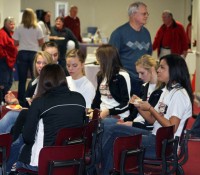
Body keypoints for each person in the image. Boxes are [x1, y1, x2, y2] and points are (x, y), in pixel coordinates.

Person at [100, 54, 193, 175]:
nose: (158, 70)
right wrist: (139, 105)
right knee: (112, 129)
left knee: (114, 133)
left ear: (174, 70)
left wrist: (150, 108)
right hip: (156, 137)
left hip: (164, 146)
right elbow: (151, 120)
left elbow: (172, 128)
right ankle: (102, 168)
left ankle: (97, 165)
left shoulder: (179, 95)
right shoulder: (167, 90)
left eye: (162, 68)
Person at [15, 64, 86, 172]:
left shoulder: (39, 103)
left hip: (44, 162)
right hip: (74, 161)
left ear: (43, 80)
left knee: (17, 155)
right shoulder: (80, 99)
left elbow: (28, 138)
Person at [0, 51, 54, 134]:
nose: (41, 66)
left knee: (11, 116)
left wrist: (34, 106)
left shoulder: (53, 84)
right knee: (9, 129)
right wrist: (16, 101)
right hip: (29, 115)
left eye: (44, 63)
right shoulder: (33, 83)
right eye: (38, 63)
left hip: (43, 119)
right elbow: (25, 104)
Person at [109, 1, 152, 96]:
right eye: (144, 13)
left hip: (143, 81)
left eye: (147, 13)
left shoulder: (146, 33)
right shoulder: (118, 34)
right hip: (126, 81)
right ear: (133, 14)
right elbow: (111, 59)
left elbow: (149, 56)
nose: (146, 16)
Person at [122, 54, 163, 130]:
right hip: (137, 123)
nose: (139, 77)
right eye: (138, 73)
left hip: (145, 127)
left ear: (152, 70)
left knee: (110, 127)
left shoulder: (162, 90)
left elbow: (153, 121)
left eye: (142, 73)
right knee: (109, 124)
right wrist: (124, 121)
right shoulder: (144, 86)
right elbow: (134, 113)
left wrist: (133, 124)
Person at [91, 44, 131, 121]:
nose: (98, 62)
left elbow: (126, 103)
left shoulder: (122, 75)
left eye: (99, 59)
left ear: (105, 60)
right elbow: (98, 98)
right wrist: (92, 110)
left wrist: (108, 112)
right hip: (103, 115)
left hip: (118, 116)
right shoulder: (101, 75)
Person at [13, 8, 44, 102]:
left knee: (22, 80)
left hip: (22, 53)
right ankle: (33, 98)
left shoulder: (19, 27)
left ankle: (21, 100)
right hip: (34, 53)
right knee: (35, 78)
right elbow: (41, 42)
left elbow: (15, 42)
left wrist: (23, 42)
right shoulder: (37, 27)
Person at [0, 17, 18, 99]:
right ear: (6, 24)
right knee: (4, 82)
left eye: (13, 24)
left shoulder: (11, 33)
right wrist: (5, 56)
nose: (13, 25)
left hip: (11, 61)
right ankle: (3, 99)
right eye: (11, 24)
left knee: (10, 81)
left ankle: (5, 98)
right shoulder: (2, 33)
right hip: (4, 60)